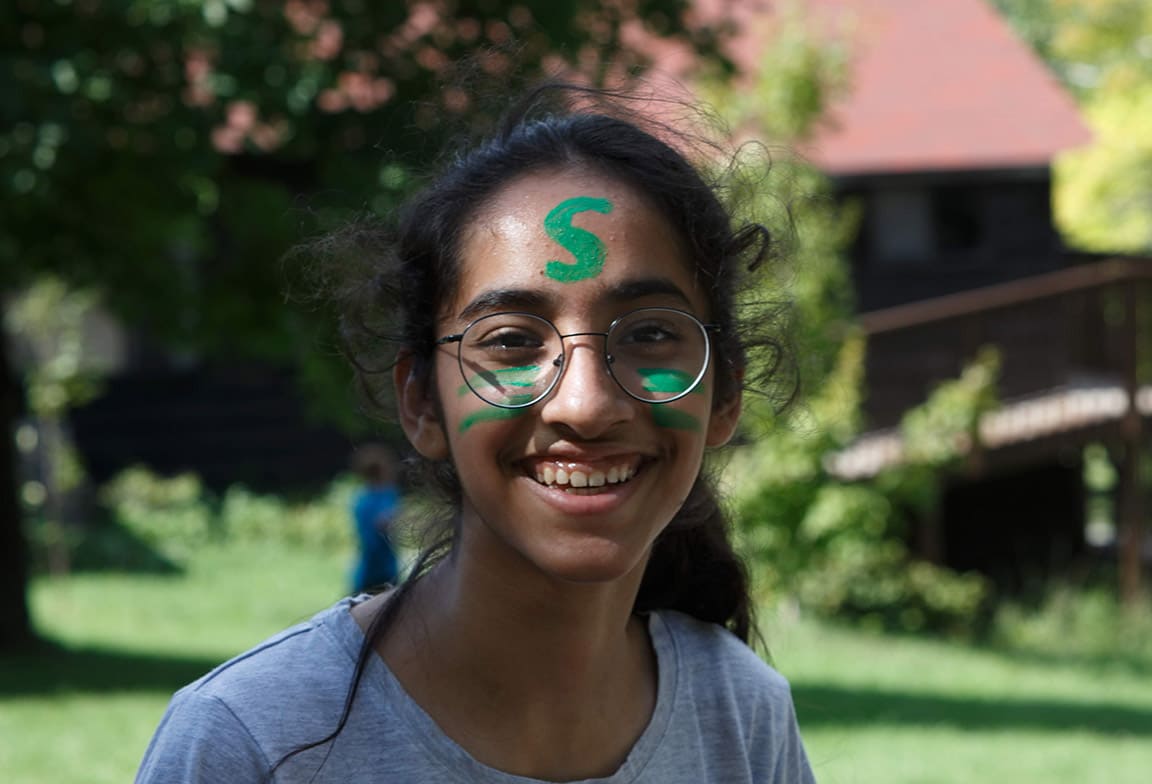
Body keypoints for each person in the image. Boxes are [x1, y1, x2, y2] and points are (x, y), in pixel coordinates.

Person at [135, 81, 816, 783]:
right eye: (513, 339)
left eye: (648, 333)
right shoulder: (253, 743)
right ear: (423, 402)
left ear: (725, 393)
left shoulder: (740, 717)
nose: (584, 406)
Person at [348, 443, 402, 593]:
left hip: (379, 568)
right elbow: (382, 525)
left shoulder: (364, 498)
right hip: (377, 570)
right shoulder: (376, 499)